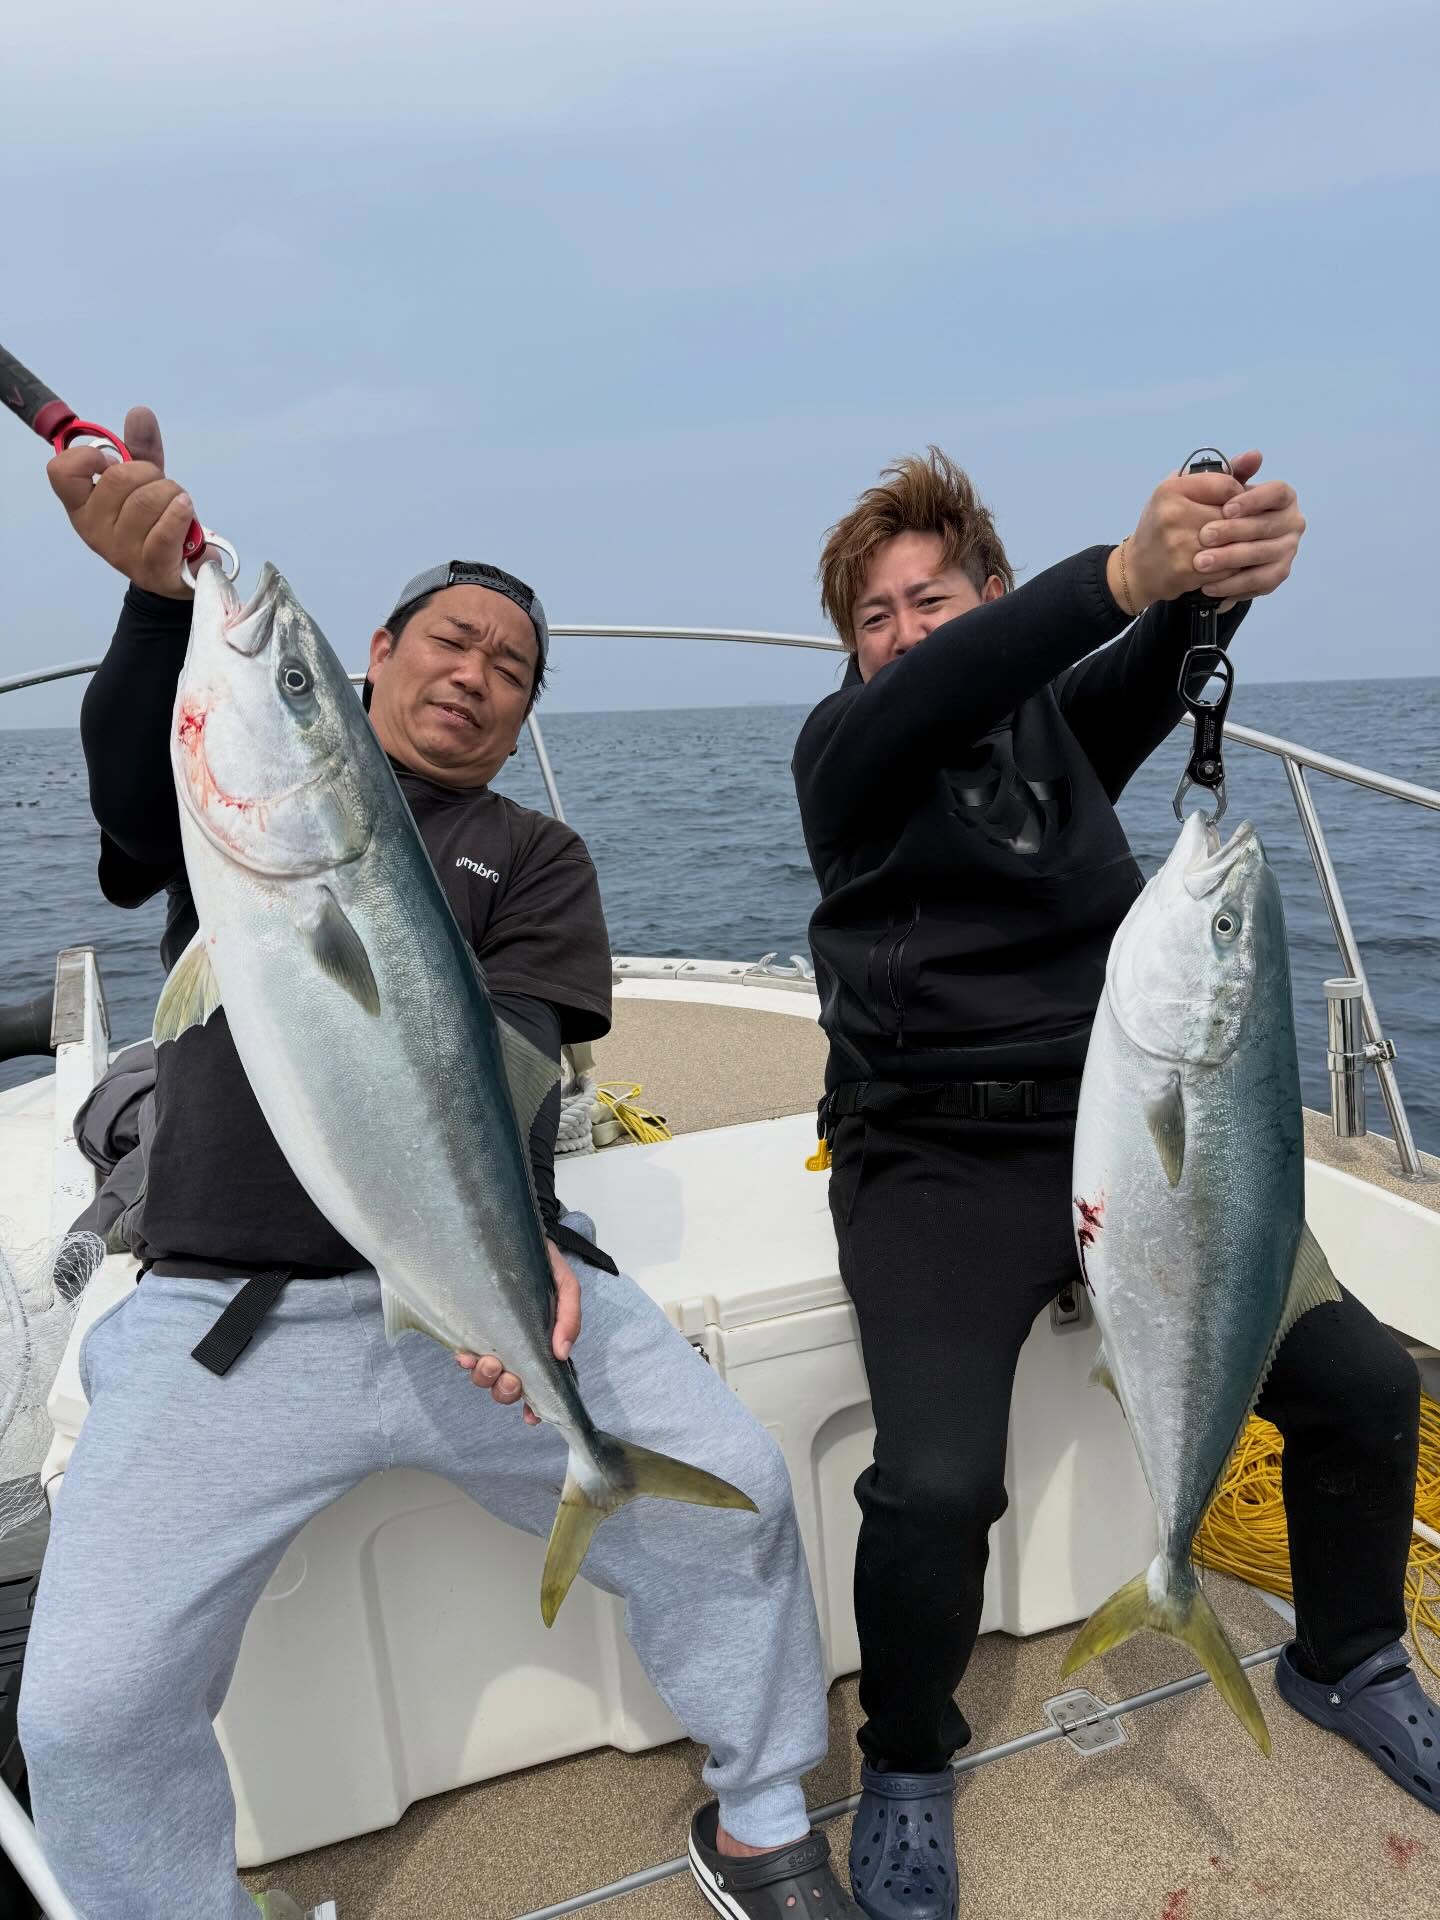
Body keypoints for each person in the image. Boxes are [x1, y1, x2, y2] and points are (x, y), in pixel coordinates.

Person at [21, 408, 864, 1920]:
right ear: (379, 656)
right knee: (81, 1711)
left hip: (490, 1291)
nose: (476, 678)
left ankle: (758, 1814)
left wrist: (511, 1268)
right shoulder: (234, 821)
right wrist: (157, 604)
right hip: (228, 1318)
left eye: (513, 670)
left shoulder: (532, 858)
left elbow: (522, 1069)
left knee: (732, 1488)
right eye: (450, 644)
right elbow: (137, 804)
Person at [792, 447, 1435, 1920]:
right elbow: (972, 676)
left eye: (932, 599)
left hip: (1123, 1127)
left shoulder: (1053, 727)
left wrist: (1211, 561)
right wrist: (1124, 575)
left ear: (995, 597)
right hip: (932, 1158)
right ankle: (905, 1760)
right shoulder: (846, 753)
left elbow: (1146, 659)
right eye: (874, 617)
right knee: (938, 1485)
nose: (903, 634)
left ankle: (1348, 1656)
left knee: (1363, 1387)